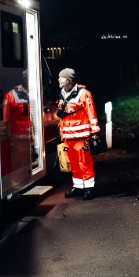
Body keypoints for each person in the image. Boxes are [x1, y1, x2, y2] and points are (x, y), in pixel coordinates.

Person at [56, 68, 100, 200]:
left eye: (61, 77)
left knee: (85, 162)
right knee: (73, 163)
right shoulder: (62, 93)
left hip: (81, 137)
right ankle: (78, 186)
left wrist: (95, 132)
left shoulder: (84, 94)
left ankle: (88, 188)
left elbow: (91, 112)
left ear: (69, 80)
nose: (59, 79)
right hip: (68, 137)